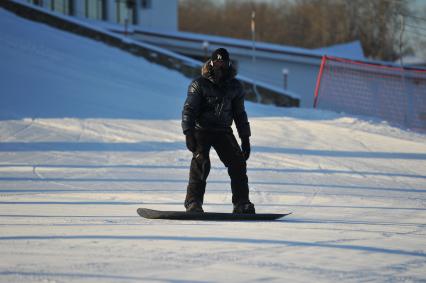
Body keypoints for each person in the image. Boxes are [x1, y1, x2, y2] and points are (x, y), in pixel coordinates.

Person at [181, 48, 255, 214]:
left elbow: (240, 114)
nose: (220, 66)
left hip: (223, 131)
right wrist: (188, 132)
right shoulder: (198, 84)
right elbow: (189, 109)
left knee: (238, 163)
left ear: (228, 64)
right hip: (202, 130)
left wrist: (245, 138)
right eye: (217, 62)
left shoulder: (235, 87)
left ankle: (242, 203)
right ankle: (193, 203)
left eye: (223, 63)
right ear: (211, 63)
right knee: (201, 162)